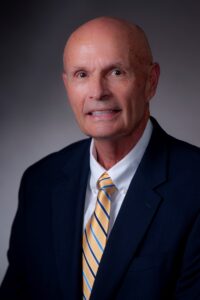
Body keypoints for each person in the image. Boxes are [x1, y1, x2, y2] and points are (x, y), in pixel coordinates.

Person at [0, 16, 200, 300]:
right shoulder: (39, 182)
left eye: (116, 72)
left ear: (150, 82)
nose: (97, 92)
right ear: (67, 84)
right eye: (82, 74)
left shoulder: (194, 187)